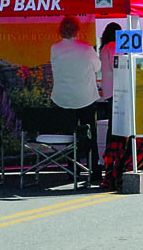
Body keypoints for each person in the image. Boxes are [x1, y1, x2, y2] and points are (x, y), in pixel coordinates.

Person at [50, 16, 102, 181]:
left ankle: (72, 169)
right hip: (85, 96)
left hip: (62, 98)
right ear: (77, 30)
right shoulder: (86, 49)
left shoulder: (55, 49)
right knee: (89, 134)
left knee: (69, 137)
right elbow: (97, 68)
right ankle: (94, 170)